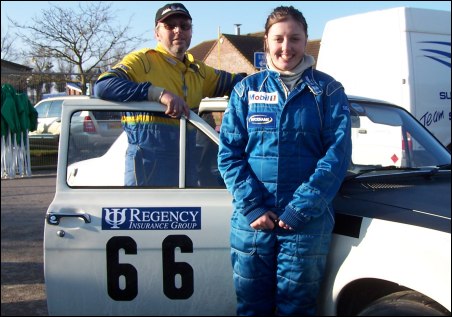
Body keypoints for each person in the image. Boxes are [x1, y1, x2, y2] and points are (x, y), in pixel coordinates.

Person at [218, 6, 352, 316]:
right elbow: (228, 154)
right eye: (278, 38)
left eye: (295, 38)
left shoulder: (328, 91)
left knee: (297, 309)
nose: (286, 47)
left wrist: (299, 209)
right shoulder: (246, 91)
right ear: (266, 41)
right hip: (253, 224)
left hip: (305, 225)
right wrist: (253, 206)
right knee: (252, 308)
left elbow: (337, 155)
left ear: (306, 41)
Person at [94, 3, 242, 186]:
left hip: (184, 174)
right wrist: (157, 94)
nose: (178, 30)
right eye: (170, 26)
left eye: (184, 26)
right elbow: (103, 86)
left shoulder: (198, 71)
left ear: (191, 32)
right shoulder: (142, 61)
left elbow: (238, 84)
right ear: (157, 33)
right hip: (147, 177)